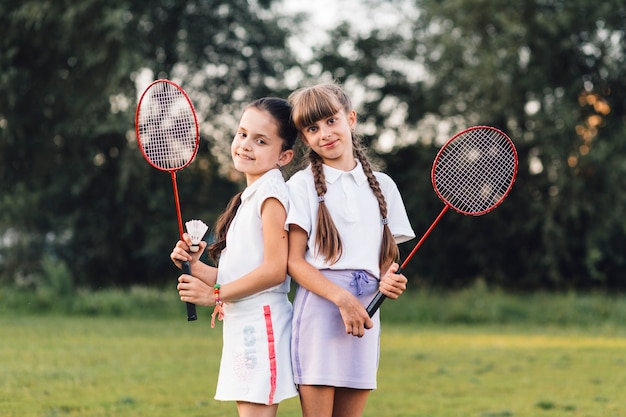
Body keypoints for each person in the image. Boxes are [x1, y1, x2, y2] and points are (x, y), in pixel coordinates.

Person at [285, 82, 416, 417]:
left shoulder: (384, 186)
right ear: (304, 138)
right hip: (321, 311)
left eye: (331, 121)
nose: (325, 133)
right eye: (312, 128)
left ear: (351, 119)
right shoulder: (300, 186)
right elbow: (294, 263)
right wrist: (342, 299)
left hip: (367, 311)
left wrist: (391, 279)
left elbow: (387, 259)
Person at [170, 97, 298, 417]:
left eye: (260, 140)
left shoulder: (270, 196)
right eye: (242, 134)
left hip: (262, 324)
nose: (245, 145)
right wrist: (195, 267)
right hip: (243, 324)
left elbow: (274, 272)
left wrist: (213, 295)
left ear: (284, 155)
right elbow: (235, 276)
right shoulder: (249, 197)